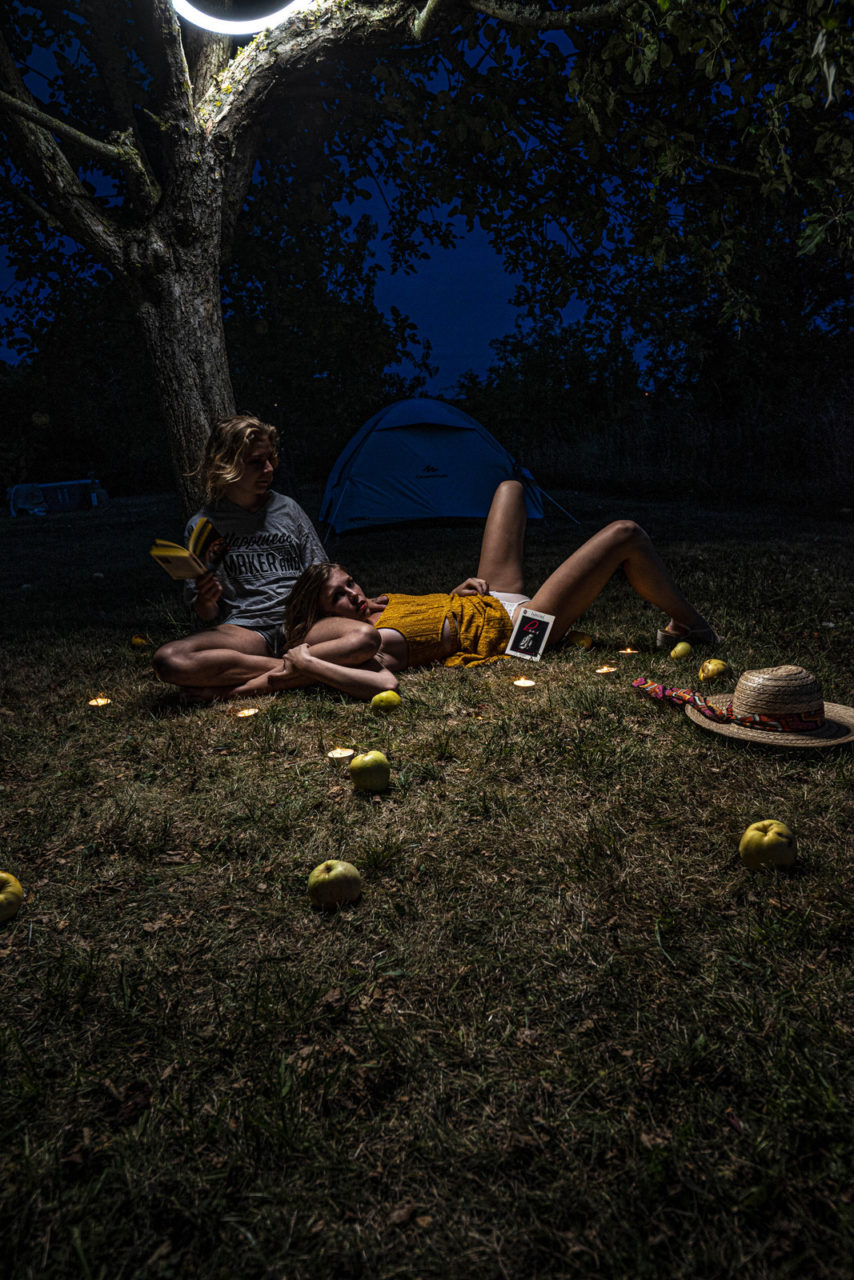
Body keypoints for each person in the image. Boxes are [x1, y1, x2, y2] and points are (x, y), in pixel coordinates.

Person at [274, 479, 719, 700]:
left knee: (510, 488)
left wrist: (455, 594)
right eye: (338, 596)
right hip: (522, 636)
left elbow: (433, 619)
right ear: (325, 615)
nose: (354, 594)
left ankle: (686, 623)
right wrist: (304, 663)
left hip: (492, 600)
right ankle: (693, 626)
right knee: (625, 533)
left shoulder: (378, 603)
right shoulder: (369, 642)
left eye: (350, 582)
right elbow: (374, 678)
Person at [153, 413, 330, 700]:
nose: (269, 469)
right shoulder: (203, 525)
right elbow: (207, 614)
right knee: (169, 660)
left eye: (270, 459)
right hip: (246, 631)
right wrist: (206, 598)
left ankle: (246, 682)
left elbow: (321, 573)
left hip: (302, 623)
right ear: (227, 464)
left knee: (366, 637)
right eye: (256, 462)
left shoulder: (287, 509)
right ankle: (309, 670)